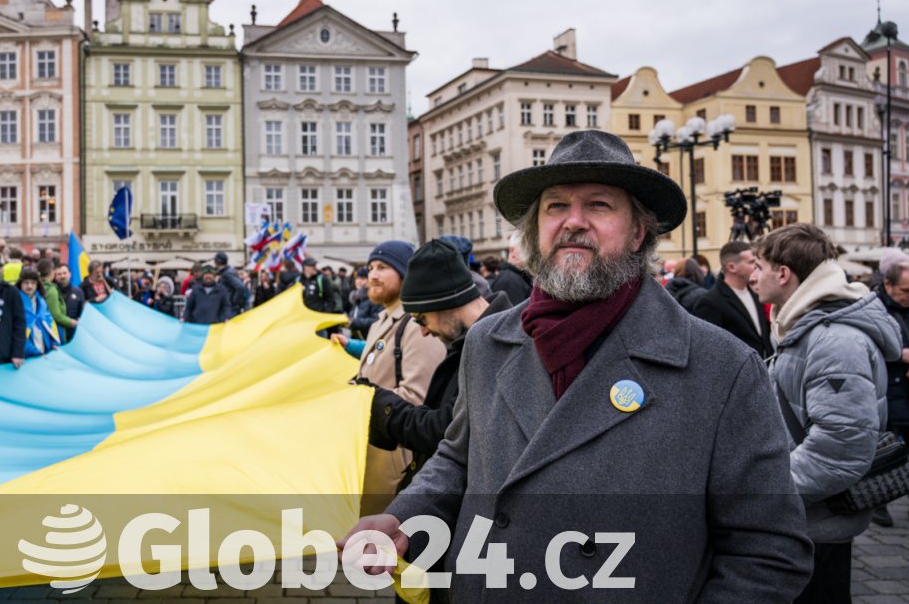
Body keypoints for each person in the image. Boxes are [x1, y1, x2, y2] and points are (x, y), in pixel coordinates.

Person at [345, 130, 813, 600]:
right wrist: (406, 515)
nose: (573, 222)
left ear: (638, 232)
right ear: (534, 230)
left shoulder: (721, 368)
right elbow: (460, 457)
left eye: (599, 205)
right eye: (555, 206)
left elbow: (769, 551)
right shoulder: (489, 341)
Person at [750, 223, 900, 602]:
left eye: (757, 265)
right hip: (805, 516)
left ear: (782, 274)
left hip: (814, 520)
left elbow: (840, 449)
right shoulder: (803, 325)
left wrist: (764, 492)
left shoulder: (833, 340)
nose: (752, 275)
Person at [340, 240, 512, 493]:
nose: (422, 331)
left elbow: (445, 431)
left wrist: (375, 401)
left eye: (422, 319)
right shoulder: (477, 340)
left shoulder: (496, 346)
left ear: (448, 302)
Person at [349, 240, 447, 516]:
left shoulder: (416, 324)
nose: (373, 275)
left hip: (394, 458)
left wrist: (360, 399)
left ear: (404, 274)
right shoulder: (382, 319)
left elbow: (419, 399)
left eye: (383, 267)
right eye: (370, 268)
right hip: (370, 448)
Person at [877, 261, 909, 524]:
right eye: (906, 290)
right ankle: (878, 505)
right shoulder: (874, 309)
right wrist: (902, 356)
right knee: (885, 452)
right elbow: (869, 348)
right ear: (888, 285)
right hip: (887, 391)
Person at [691, 241, 772, 358]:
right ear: (732, 267)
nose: (756, 266)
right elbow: (707, 349)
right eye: (751, 262)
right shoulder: (710, 302)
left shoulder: (755, 293)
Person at [18, 268, 60, 357]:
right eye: (26, 282)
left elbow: (50, 322)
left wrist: (54, 342)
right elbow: (16, 332)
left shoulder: (41, 301)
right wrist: (34, 352)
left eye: (33, 283)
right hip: (26, 353)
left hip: (43, 348)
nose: (30, 286)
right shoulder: (15, 302)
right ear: (20, 284)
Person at [38, 259, 78, 343]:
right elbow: (56, 315)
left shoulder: (38, 286)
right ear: (51, 272)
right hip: (54, 329)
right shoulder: (51, 290)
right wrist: (71, 322)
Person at [489, 231, 533, 305]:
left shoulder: (519, 277)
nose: (532, 252)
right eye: (527, 248)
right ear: (512, 251)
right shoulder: (509, 280)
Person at [213, 252, 249, 318]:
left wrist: (234, 301)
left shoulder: (227, 273)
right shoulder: (226, 272)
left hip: (230, 309)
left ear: (217, 262)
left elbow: (240, 287)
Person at [348, 266, 380, 337]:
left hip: (368, 339)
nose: (358, 281)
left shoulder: (375, 297)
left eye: (362, 279)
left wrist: (355, 322)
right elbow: (355, 314)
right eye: (357, 278)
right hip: (356, 337)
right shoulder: (357, 296)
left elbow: (377, 320)